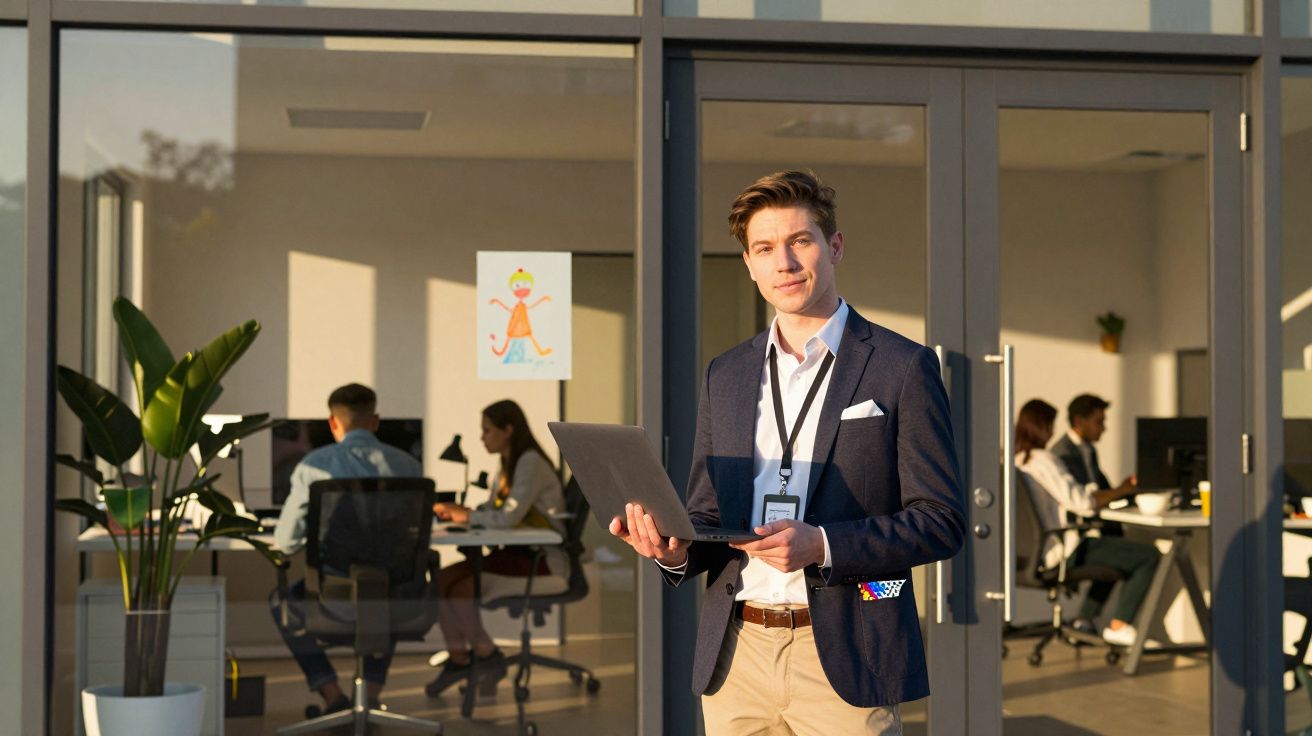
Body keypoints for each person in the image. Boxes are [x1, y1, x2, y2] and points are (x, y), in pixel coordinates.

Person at [610, 170, 965, 734]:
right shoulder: (724, 375)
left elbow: (941, 522)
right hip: (736, 653)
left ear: (835, 246)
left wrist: (822, 544)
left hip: (850, 646)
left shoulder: (902, 367)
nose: (785, 263)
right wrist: (673, 549)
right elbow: (706, 517)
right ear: (749, 264)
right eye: (765, 248)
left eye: (801, 241)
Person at [270, 383, 424, 716]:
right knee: (389, 585)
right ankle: (370, 694)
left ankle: (332, 695)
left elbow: (284, 543)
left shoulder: (314, 466)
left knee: (281, 601)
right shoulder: (408, 465)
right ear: (376, 421)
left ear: (332, 423)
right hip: (393, 594)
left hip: (334, 596)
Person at [425, 399, 566, 695]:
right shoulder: (508, 463)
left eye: (487, 430)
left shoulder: (529, 462)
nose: (482, 437)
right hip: (515, 553)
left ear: (508, 430)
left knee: (462, 590)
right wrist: (464, 513)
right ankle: (460, 659)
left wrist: (469, 516)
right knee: (440, 583)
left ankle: (488, 656)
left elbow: (508, 516)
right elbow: (493, 509)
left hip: (541, 560)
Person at [1014, 398, 1159, 646]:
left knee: (1116, 546)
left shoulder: (1017, 460)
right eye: (1049, 426)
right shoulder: (1044, 460)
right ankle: (1119, 625)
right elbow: (1081, 502)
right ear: (1039, 427)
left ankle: (1085, 618)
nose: (1052, 432)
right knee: (1148, 556)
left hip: (1031, 554)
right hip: (1060, 550)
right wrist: (1123, 489)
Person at [1051, 394, 1113, 490]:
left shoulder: (1089, 449)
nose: (1103, 428)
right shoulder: (1062, 454)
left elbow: (1103, 487)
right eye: (1098, 422)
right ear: (1079, 421)